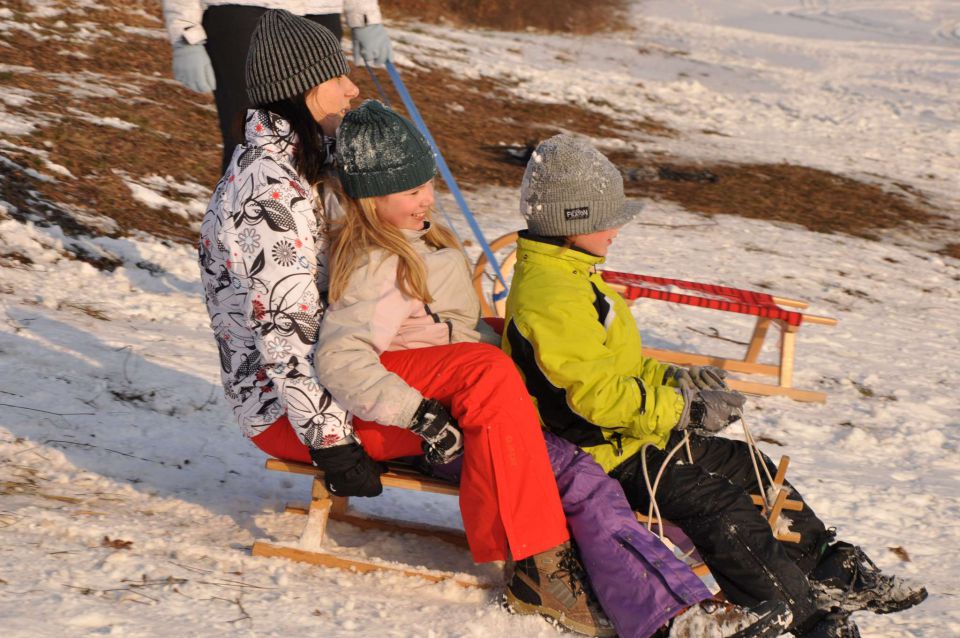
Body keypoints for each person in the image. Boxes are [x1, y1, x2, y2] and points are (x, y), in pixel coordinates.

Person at [313, 99, 793, 638]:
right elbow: (341, 359)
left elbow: (447, 334)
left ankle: (657, 565)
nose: (428, 198)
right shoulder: (379, 262)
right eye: (411, 191)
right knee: (581, 480)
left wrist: (508, 343)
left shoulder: (416, 241)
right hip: (445, 427)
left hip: (481, 410)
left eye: (428, 184)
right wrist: (423, 417)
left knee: (589, 473)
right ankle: (670, 616)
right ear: (369, 197)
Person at [500, 134, 929, 638]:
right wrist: (684, 410)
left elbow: (621, 367)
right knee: (718, 505)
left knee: (753, 468)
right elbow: (597, 397)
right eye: (606, 218)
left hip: (631, 433)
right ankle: (804, 617)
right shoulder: (552, 297)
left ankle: (830, 572)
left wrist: (678, 380)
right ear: (573, 222)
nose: (618, 228)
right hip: (601, 450)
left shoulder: (577, 279)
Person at [162, 0, 392, 172]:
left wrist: (364, 16)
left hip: (320, 11)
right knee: (255, 137)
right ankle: (247, 227)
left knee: (323, 135)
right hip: (240, 12)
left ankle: (316, 228)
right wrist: (185, 33)